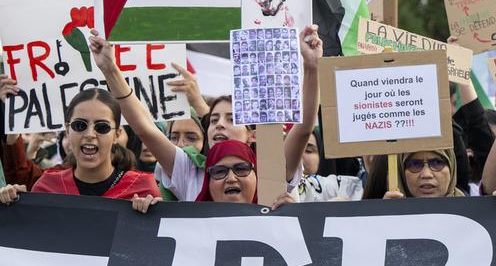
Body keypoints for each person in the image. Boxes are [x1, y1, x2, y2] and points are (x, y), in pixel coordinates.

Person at [88, 25, 321, 209]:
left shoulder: (271, 169)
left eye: (231, 119)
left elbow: (302, 129)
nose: (219, 124)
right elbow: (145, 129)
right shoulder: (190, 172)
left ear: (252, 134)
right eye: (214, 119)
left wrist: (311, 66)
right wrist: (110, 70)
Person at [0, 89, 160, 203]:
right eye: (79, 125)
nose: (90, 134)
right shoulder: (46, 187)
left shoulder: (142, 189)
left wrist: (151, 215)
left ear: (117, 135)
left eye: (102, 127)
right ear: (67, 130)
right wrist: (11, 206)